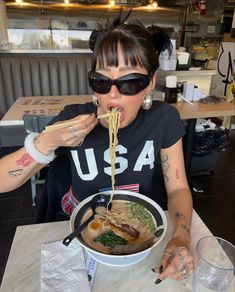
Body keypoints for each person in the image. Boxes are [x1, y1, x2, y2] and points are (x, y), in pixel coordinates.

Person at [0, 10, 194, 284]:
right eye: (101, 81)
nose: (112, 95)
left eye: (129, 82)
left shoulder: (164, 120)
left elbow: (179, 189)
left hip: (144, 240)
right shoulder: (71, 118)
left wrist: (182, 235)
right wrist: (46, 142)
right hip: (81, 236)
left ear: (150, 82)